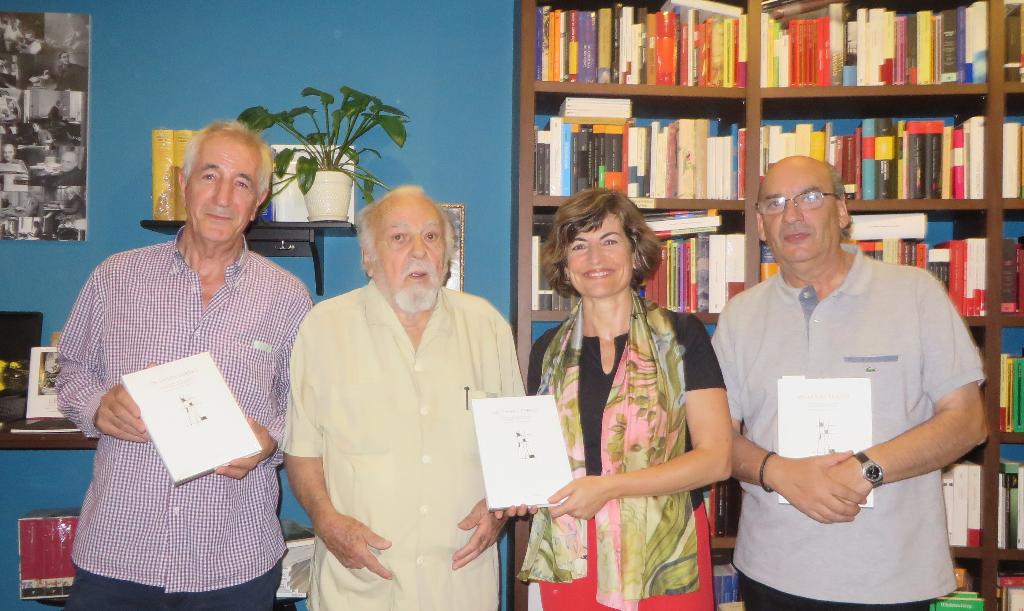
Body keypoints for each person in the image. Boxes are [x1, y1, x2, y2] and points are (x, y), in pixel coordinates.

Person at [711, 155, 988, 610]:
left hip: (892, 577)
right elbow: (719, 436)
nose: (793, 214)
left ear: (842, 211)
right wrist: (777, 471)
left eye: (810, 197)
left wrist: (867, 469)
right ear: (761, 225)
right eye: (776, 203)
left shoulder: (915, 293)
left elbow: (968, 421)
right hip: (771, 571)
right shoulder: (741, 314)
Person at [57, 120, 312, 609]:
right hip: (119, 553)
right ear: (182, 182)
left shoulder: (288, 298)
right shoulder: (116, 278)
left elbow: (307, 406)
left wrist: (271, 437)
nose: (222, 197)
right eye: (209, 175)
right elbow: (70, 368)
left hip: (232, 558)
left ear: (259, 199)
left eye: (241, 183)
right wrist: (95, 406)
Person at [284, 186, 524, 610]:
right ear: (367, 257)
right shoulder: (323, 329)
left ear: (446, 258)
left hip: (460, 584)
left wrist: (499, 509)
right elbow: (302, 452)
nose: (418, 251)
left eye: (431, 237)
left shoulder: (487, 326)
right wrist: (327, 521)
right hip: (361, 586)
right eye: (399, 238)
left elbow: (517, 451)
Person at [516, 189, 732, 611]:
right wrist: (523, 488)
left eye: (609, 240)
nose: (595, 257)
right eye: (579, 245)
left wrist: (610, 488)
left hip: (665, 552)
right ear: (563, 264)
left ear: (635, 253)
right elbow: (538, 459)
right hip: (573, 550)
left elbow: (717, 458)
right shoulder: (546, 351)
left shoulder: (682, 337)